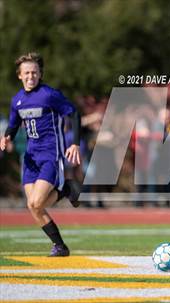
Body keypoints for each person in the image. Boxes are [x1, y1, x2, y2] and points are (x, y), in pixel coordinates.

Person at [0, 52, 81, 256]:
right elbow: (14, 123)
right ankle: (60, 245)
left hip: (50, 155)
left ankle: (65, 191)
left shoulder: (49, 95)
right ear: (19, 75)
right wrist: (7, 136)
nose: (31, 76)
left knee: (36, 202)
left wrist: (75, 144)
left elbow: (74, 113)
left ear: (40, 74)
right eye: (26, 73)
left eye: (34, 72)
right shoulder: (17, 100)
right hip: (30, 158)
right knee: (34, 206)